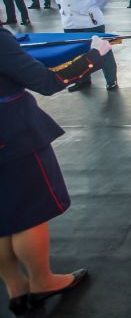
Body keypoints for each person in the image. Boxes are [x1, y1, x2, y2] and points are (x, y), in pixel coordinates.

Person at [0, 27, 111, 316]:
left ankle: (16, 287)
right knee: (29, 212)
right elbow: (47, 82)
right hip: (11, 134)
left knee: (2, 216)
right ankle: (42, 280)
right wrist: (93, 57)